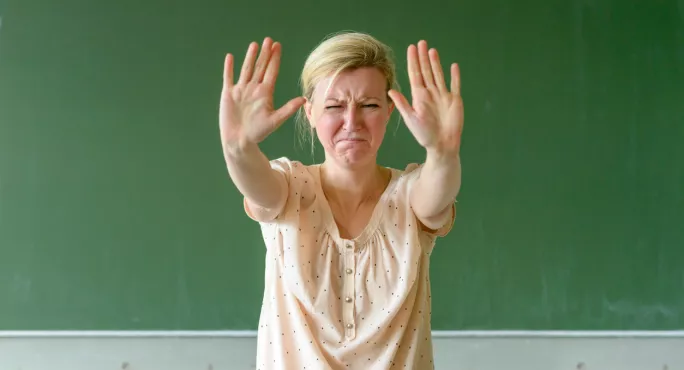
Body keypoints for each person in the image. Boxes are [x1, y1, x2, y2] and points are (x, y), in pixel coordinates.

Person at [219, 31, 463, 370]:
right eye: (334, 106)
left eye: (369, 105)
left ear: (390, 111)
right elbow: (254, 182)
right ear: (310, 114)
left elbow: (438, 193)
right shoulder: (288, 188)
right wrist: (238, 148)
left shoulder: (410, 195)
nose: (352, 122)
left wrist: (443, 152)